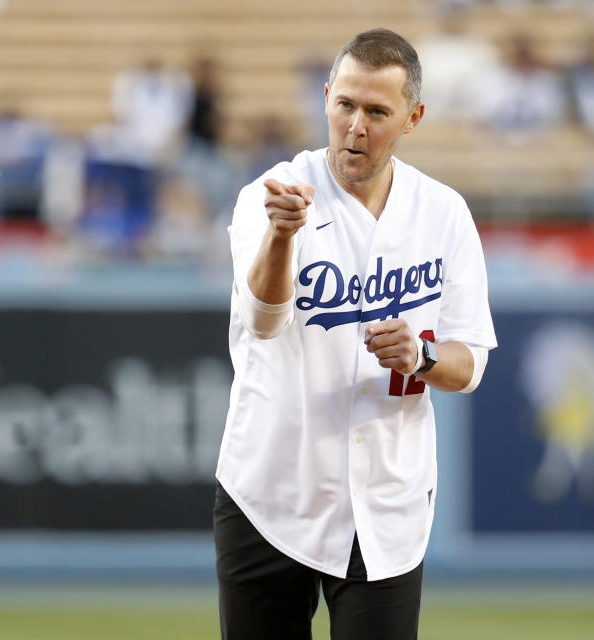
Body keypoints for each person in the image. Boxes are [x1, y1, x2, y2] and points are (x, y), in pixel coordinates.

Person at [215, 28, 497, 640]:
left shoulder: (443, 213)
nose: (355, 126)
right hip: (271, 491)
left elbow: (469, 363)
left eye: (377, 111)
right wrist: (282, 236)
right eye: (345, 105)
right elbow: (264, 323)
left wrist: (421, 355)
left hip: (387, 501)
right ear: (325, 98)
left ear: (413, 117)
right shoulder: (273, 197)